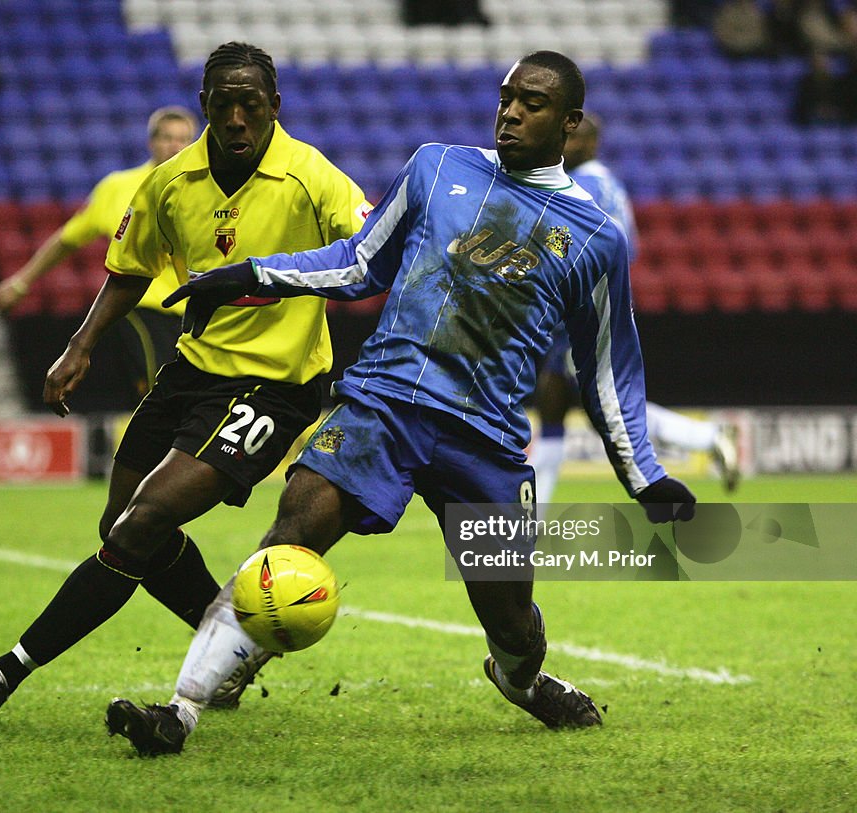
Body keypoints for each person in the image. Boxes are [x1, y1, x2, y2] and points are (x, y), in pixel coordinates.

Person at [104, 50, 697, 756]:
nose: (510, 111)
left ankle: (522, 680)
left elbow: (606, 371)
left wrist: (645, 477)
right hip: (382, 406)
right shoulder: (436, 168)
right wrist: (249, 273)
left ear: (568, 123)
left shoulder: (595, 239)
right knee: (289, 535)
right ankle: (181, 711)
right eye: (506, 96)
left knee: (510, 619)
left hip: (487, 439)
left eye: (532, 103)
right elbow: (359, 262)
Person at [0, 42, 370, 723]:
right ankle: (219, 646)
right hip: (191, 374)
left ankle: (2, 672)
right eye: (222, 104)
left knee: (140, 523)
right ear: (204, 105)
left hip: (273, 389)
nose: (235, 118)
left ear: (273, 107)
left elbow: (367, 249)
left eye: (249, 105)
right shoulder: (170, 182)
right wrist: (80, 343)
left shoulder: (312, 176)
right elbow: (129, 265)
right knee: (120, 522)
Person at [529, 113, 740, 517]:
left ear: (591, 144)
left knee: (606, 410)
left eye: (573, 141)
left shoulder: (582, 185)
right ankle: (529, 517)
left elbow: (570, 247)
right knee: (556, 405)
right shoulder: (610, 185)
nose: (564, 147)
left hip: (583, 315)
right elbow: (630, 248)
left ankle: (707, 436)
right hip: (587, 311)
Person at [0, 107, 199, 399]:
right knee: (161, 387)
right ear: (151, 142)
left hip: (192, 310)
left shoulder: (205, 191)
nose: (174, 146)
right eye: (167, 137)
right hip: (140, 305)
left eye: (183, 139)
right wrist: (21, 282)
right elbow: (67, 240)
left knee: (185, 394)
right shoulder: (118, 188)